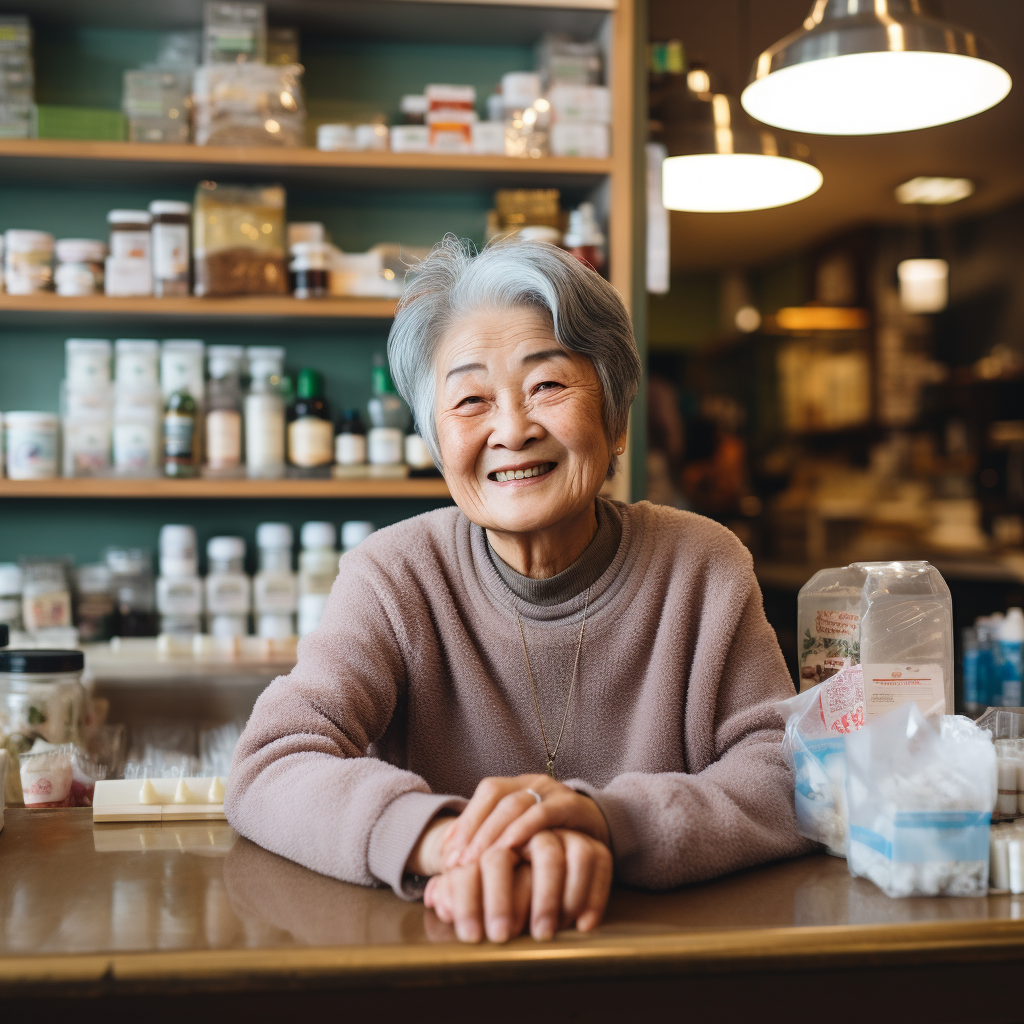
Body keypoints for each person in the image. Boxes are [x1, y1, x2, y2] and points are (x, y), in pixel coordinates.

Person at [225, 236, 810, 945]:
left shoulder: (703, 565)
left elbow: (787, 773)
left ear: (616, 418)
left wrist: (604, 822)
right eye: (470, 400)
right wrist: (453, 844)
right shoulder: (394, 574)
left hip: (658, 957)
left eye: (548, 385)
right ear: (439, 445)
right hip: (448, 948)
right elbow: (273, 761)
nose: (512, 429)